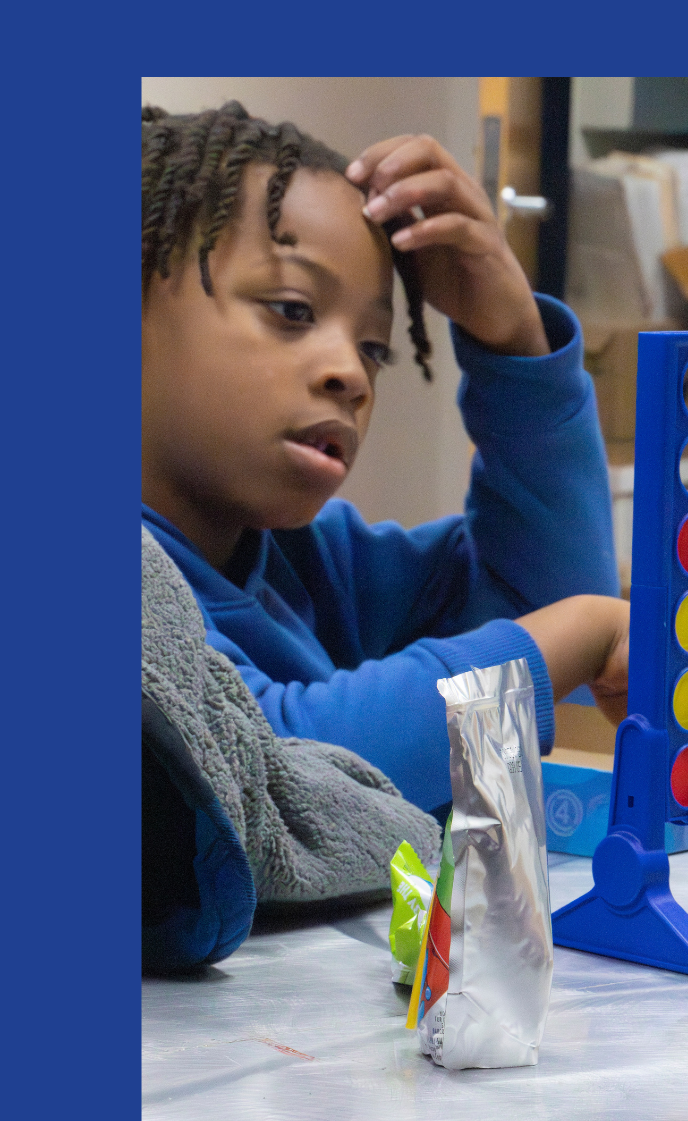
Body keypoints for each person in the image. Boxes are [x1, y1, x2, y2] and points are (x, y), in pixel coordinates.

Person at [142, 101, 630, 816]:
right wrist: (580, 632)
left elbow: (545, 597)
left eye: (375, 346)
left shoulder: (314, 560)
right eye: (293, 310)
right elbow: (270, 774)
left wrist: (514, 340)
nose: (351, 373)